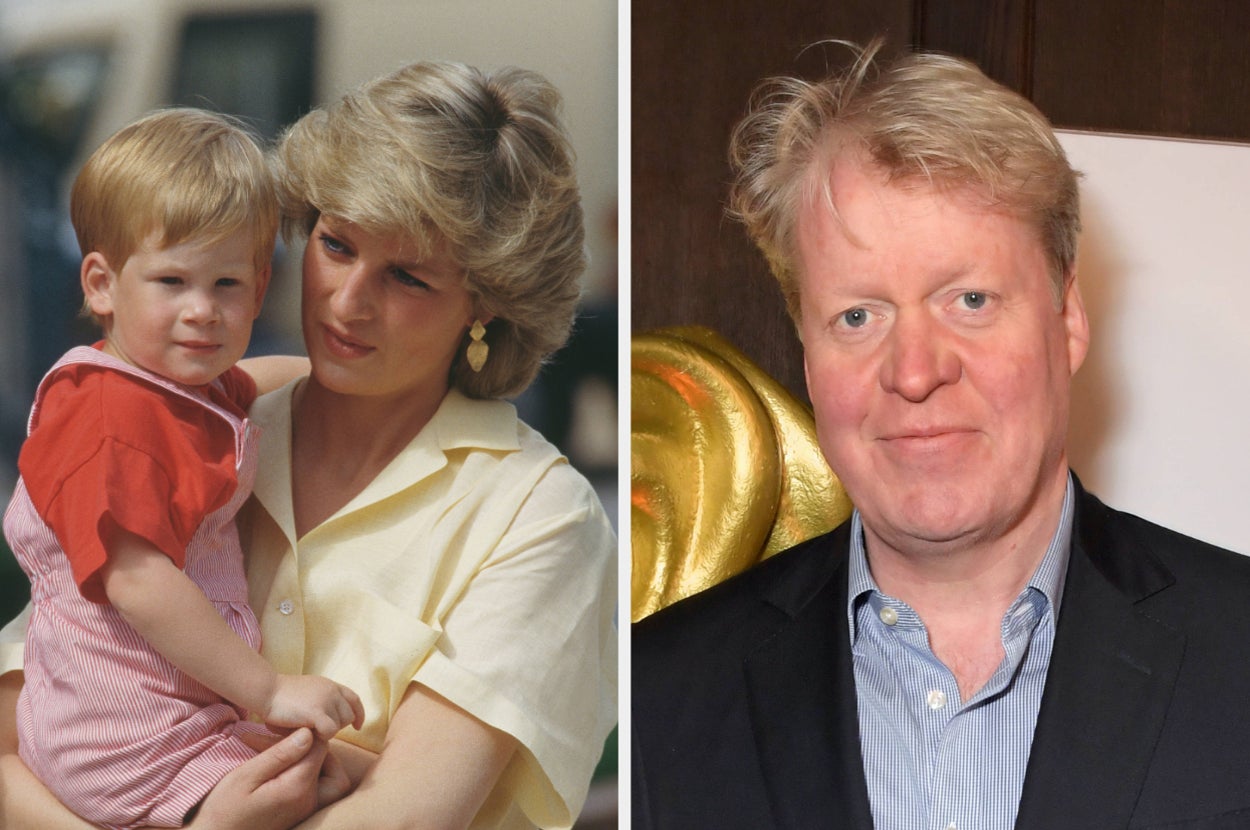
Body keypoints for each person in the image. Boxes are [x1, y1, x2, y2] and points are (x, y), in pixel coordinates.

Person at [631, 39, 1250, 830]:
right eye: (858, 316)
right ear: (809, 356)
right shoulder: (661, 700)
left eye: (970, 301)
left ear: (1067, 321)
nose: (915, 372)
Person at [0, 61, 616, 830]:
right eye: (336, 244)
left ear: (486, 301)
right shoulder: (194, 414)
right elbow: (12, 741)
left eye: (407, 278)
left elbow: (403, 818)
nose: (347, 303)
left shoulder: (538, 516)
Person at [2, 107, 363, 830]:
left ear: (260, 291)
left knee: (354, 770)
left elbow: (261, 383)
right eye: (172, 281)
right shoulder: (107, 417)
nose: (203, 311)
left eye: (227, 285)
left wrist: (353, 386)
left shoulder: (176, 386)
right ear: (102, 285)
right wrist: (269, 690)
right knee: (314, 785)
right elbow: (137, 581)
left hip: (173, 713)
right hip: (123, 734)